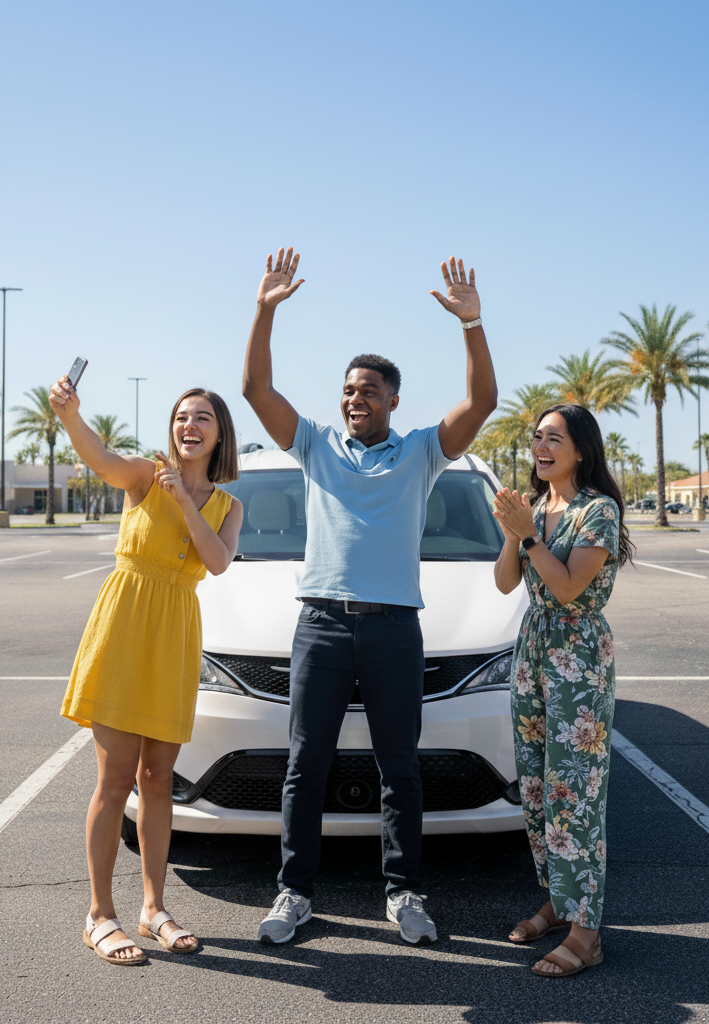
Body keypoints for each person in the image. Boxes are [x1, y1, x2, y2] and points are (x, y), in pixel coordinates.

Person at [242, 246, 498, 946]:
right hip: (322, 626)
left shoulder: (420, 452)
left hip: (393, 632)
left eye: (368, 391)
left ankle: (404, 892)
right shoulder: (317, 446)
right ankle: (294, 892)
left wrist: (471, 325)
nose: (355, 399)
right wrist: (264, 311)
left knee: (399, 768)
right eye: (348, 390)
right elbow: (255, 391)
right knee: (306, 765)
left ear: (392, 400)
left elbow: (481, 403)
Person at [50, 377, 243, 965]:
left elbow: (216, 563)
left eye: (203, 418)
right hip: (125, 627)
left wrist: (186, 501)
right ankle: (99, 914)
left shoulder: (228, 506)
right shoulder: (142, 473)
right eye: (183, 416)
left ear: (219, 434)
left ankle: (154, 907)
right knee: (114, 781)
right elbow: (99, 458)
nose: (190, 425)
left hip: (175, 634)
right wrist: (70, 417)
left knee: (159, 779)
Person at [491, 403, 633, 978]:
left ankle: (586, 931)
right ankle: (558, 900)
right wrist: (514, 534)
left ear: (580, 448)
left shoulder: (597, 510)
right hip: (533, 654)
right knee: (538, 789)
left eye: (555, 438)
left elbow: (572, 588)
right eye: (537, 437)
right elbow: (506, 583)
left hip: (577, 660)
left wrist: (529, 539)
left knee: (576, 794)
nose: (541, 446)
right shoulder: (535, 509)